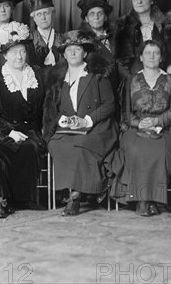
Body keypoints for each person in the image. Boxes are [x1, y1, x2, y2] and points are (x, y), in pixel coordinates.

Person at [43, 30, 118, 216]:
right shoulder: (58, 78)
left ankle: (75, 195)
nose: (73, 53)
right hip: (68, 128)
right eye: (69, 50)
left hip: (98, 127)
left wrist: (87, 120)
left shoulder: (97, 74)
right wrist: (65, 120)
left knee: (81, 145)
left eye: (77, 49)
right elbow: (55, 108)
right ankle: (83, 190)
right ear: (64, 53)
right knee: (56, 144)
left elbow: (110, 104)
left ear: (85, 53)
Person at [111, 40, 171, 216]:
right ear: (141, 57)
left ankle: (149, 200)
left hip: (164, 128)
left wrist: (156, 121)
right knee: (136, 148)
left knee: (160, 149)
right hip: (134, 128)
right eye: (148, 53)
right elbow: (124, 112)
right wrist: (138, 123)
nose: (152, 56)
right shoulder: (130, 80)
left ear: (161, 57)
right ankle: (144, 200)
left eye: (156, 53)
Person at [0, 21, 45, 218]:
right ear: (4, 55)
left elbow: (46, 106)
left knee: (30, 147)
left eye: (22, 51)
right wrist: (9, 131)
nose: (19, 56)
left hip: (30, 129)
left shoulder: (37, 73)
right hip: (2, 129)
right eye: (13, 52)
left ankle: (23, 198)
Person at [115, 0, 171, 80]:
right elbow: (122, 60)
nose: (139, 1)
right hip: (132, 78)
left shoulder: (165, 23)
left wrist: (170, 72)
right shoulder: (123, 25)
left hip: (161, 77)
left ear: (152, 0)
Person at [77, 0, 120, 91]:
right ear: (86, 18)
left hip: (119, 88)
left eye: (100, 13)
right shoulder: (81, 41)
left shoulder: (116, 36)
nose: (96, 17)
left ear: (105, 17)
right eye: (92, 14)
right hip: (96, 90)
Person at [28, 0, 62, 70]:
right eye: (39, 14)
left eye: (46, 13)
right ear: (34, 18)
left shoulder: (62, 38)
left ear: (52, 14)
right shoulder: (29, 39)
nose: (43, 18)